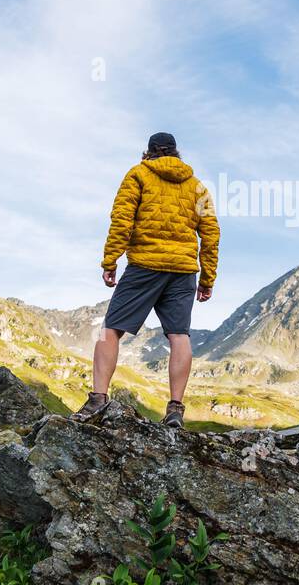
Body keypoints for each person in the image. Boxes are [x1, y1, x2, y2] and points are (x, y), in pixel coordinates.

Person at [76, 132, 219, 429]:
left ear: (148, 152)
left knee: (110, 330)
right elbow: (211, 233)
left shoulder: (138, 174)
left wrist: (110, 260)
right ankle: (176, 409)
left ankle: (98, 400)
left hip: (145, 264)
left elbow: (122, 219)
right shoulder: (197, 187)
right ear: (177, 153)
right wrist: (207, 278)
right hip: (183, 270)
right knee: (179, 335)